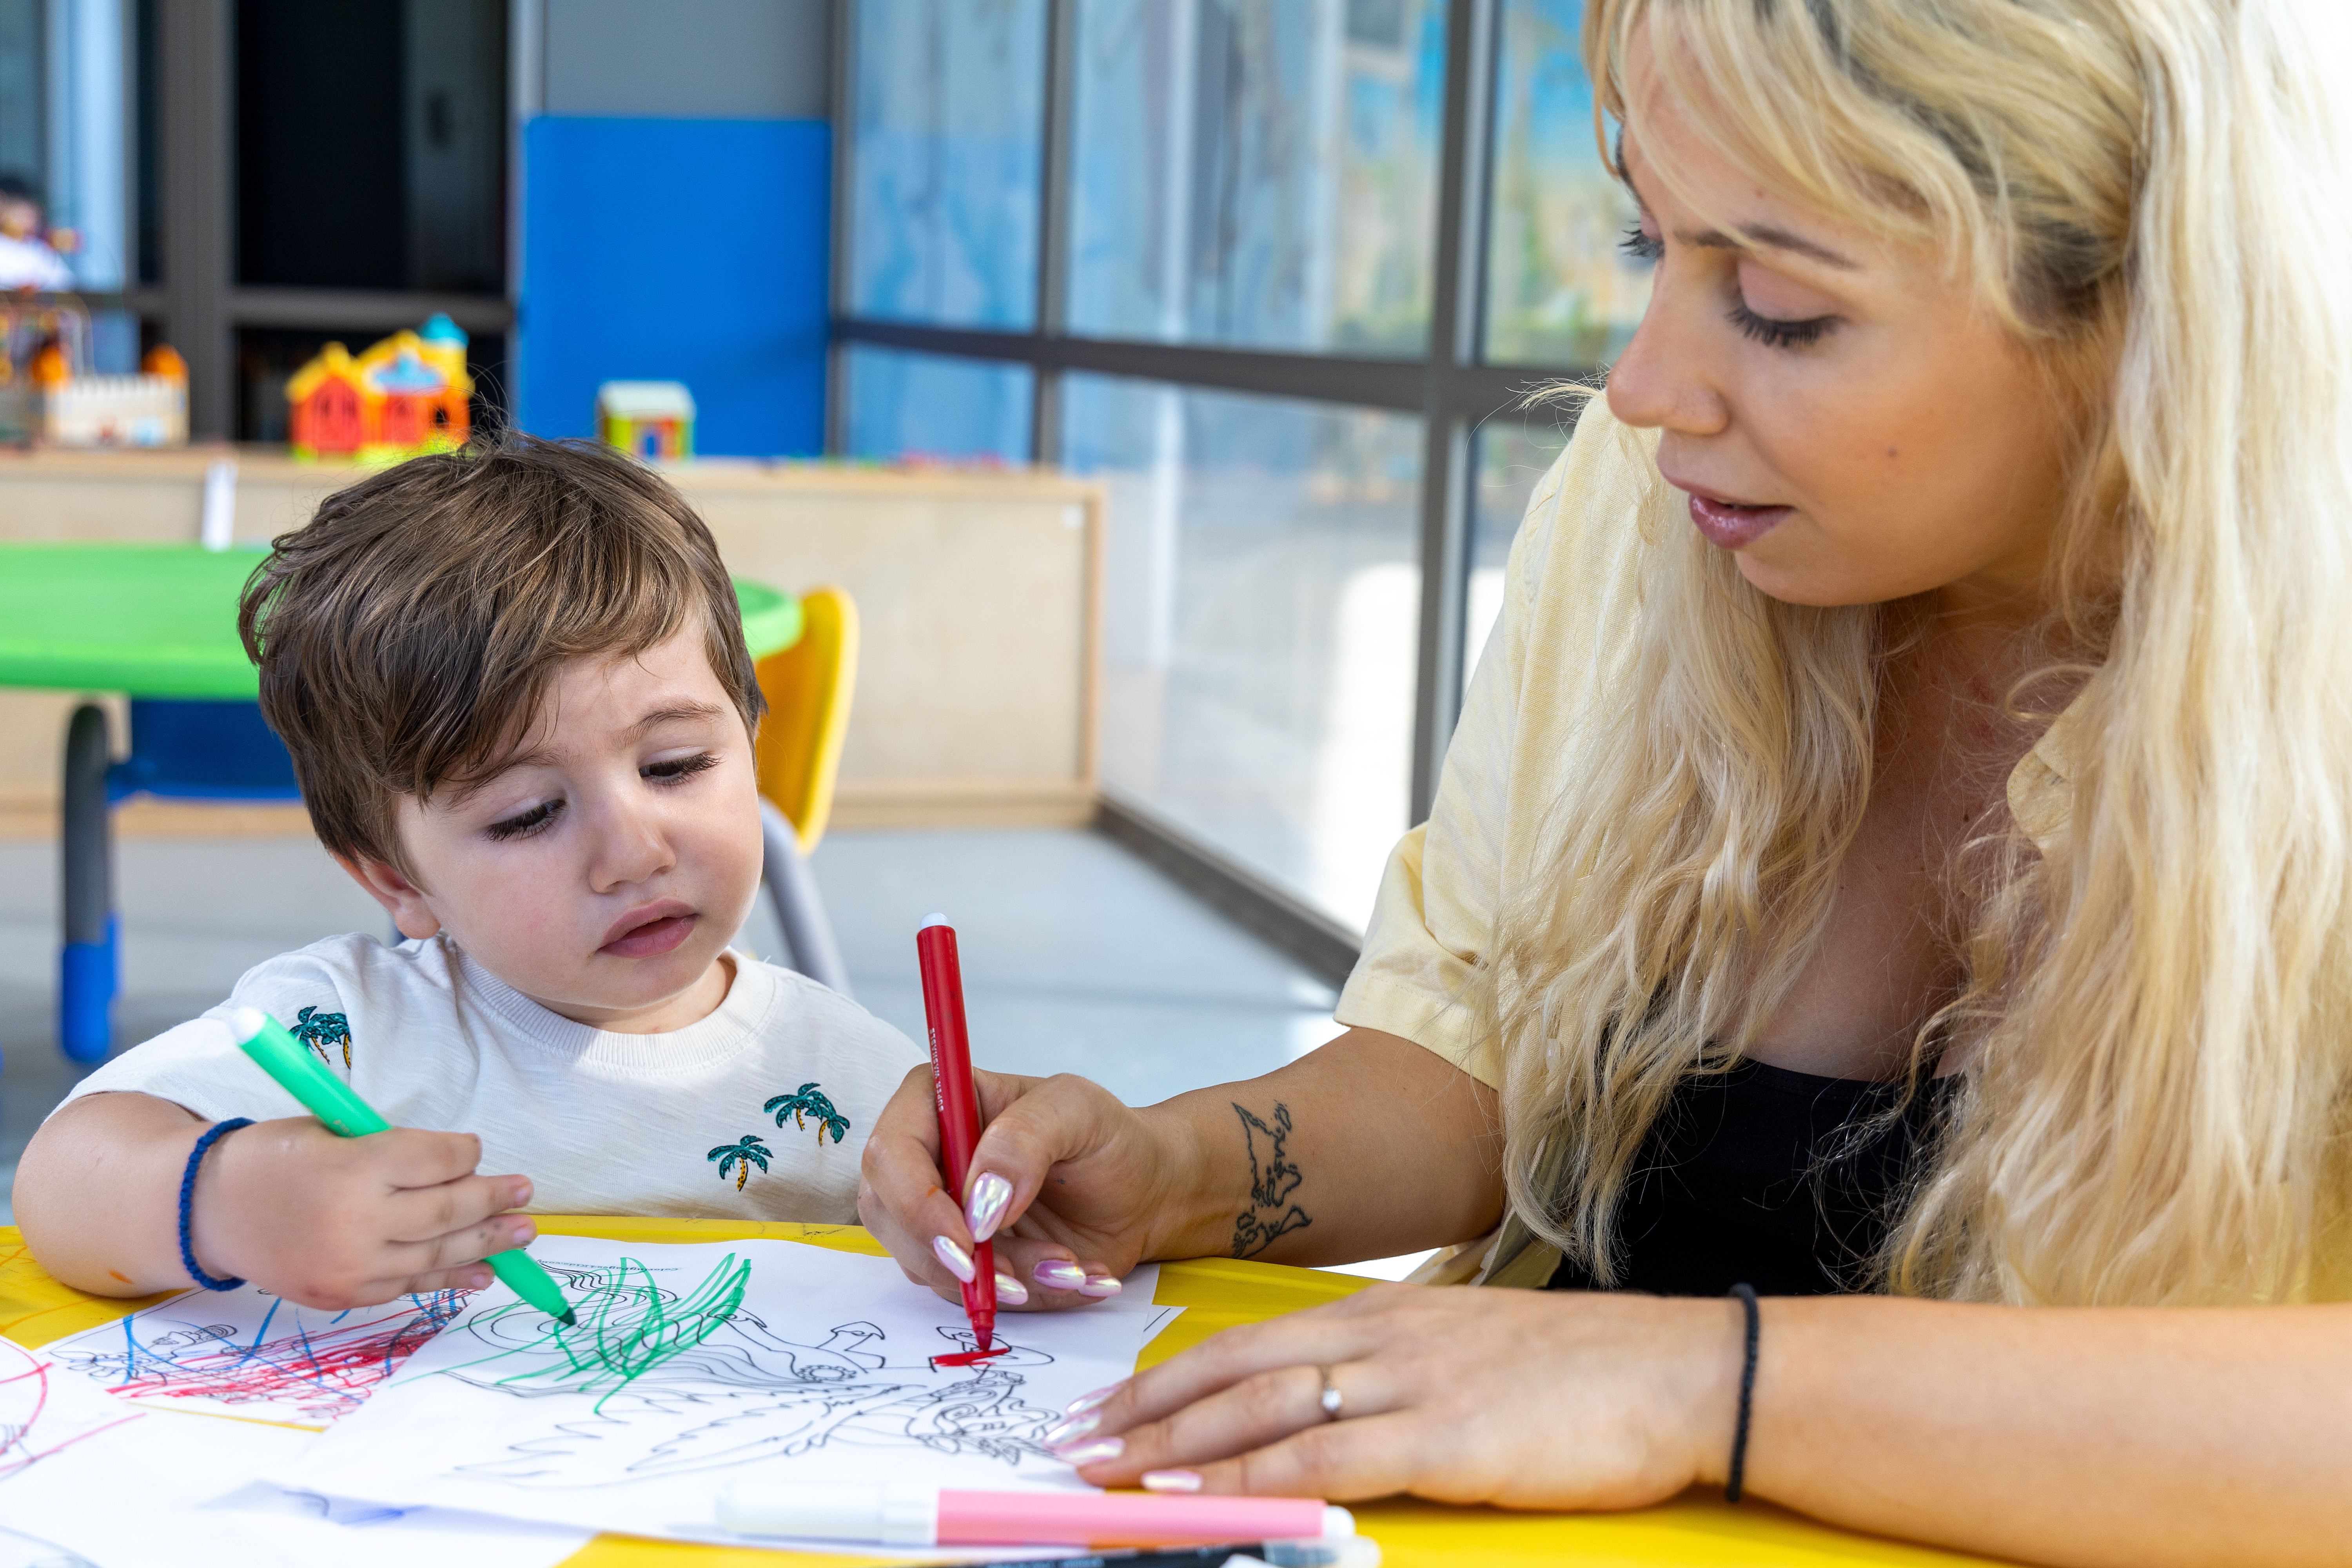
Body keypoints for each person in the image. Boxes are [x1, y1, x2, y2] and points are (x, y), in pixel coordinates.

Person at [856, 1, 2352, 1562]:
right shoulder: (1648, 517)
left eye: (1776, 305)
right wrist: (1172, 1167)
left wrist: (1700, 1384)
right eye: (1654, 247)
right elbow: (1482, 1068)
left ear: (2140, 311)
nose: (1643, 390)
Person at [15, 437, 942, 1312]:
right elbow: (62, 1176)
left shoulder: (842, 1073)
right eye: (526, 815)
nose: (634, 852)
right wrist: (228, 1201)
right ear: (398, 882)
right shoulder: (351, 1028)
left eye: (676, 766)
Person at [0, 174, 75, 292]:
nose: (28, 215)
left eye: (29, 208)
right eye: (18, 207)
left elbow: (67, 288)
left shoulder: (40, 249)